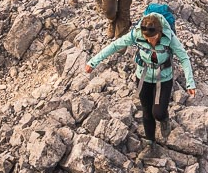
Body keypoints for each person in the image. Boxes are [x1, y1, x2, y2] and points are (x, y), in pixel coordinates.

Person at [84, 10, 196, 157]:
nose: (150, 41)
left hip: (164, 78)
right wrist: (93, 62)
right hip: (143, 77)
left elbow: (184, 58)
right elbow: (115, 46)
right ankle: (150, 144)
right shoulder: (136, 34)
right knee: (147, 111)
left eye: (153, 37)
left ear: (160, 32)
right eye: (147, 38)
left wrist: (190, 83)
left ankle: (164, 119)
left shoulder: (170, 38)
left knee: (158, 112)